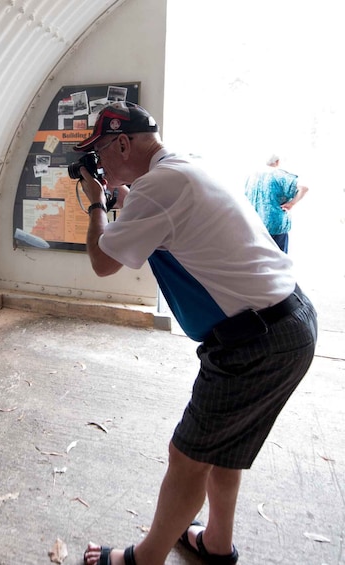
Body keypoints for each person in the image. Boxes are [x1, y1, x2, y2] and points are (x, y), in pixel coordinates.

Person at [75, 102, 317, 565]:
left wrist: (94, 205)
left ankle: (145, 558)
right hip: (288, 323)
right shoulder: (183, 168)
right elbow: (162, 217)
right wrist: (121, 196)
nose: (99, 166)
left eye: (101, 152)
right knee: (224, 451)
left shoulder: (159, 187)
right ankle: (217, 544)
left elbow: (103, 262)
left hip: (255, 341)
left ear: (123, 142)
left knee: (187, 456)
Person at [243, 155, 309, 253]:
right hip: (275, 226)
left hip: (256, 226)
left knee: (261, 260)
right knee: (280, 262)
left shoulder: (252, 176)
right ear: (277, 162)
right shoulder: (279, 175)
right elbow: (304, 188)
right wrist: (291, 203)